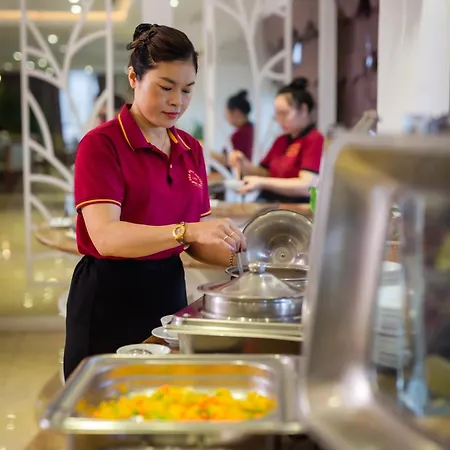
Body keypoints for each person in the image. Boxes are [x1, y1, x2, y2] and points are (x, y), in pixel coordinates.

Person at [64, 23, 246, 380]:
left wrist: (248, 257)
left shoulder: (190, 149)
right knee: (106, 396)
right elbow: (106, 237)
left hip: (167, 291)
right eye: (166, 87)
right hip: (109, 294)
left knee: (163, 390)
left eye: (187, 90)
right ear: (134, 78)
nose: (177, 101)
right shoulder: (102, 144)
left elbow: (196, 243)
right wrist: (187, 230)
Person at [229, 77, 324, 203]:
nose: (280, 120)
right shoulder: (281, 140)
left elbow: (307, 186)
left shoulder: (314, 139)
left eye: (284, 113)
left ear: (303, 110)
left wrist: (262, 183)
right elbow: (265, 173)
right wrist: (243, 163)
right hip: (271, 203)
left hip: (296, 206)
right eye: (277, 115)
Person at [210, 90, 254, 166]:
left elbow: (226, 160)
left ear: (236, 113)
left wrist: (204, 150)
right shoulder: (252, 130)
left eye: (226, 114)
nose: (226, 117)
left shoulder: (240, 135)